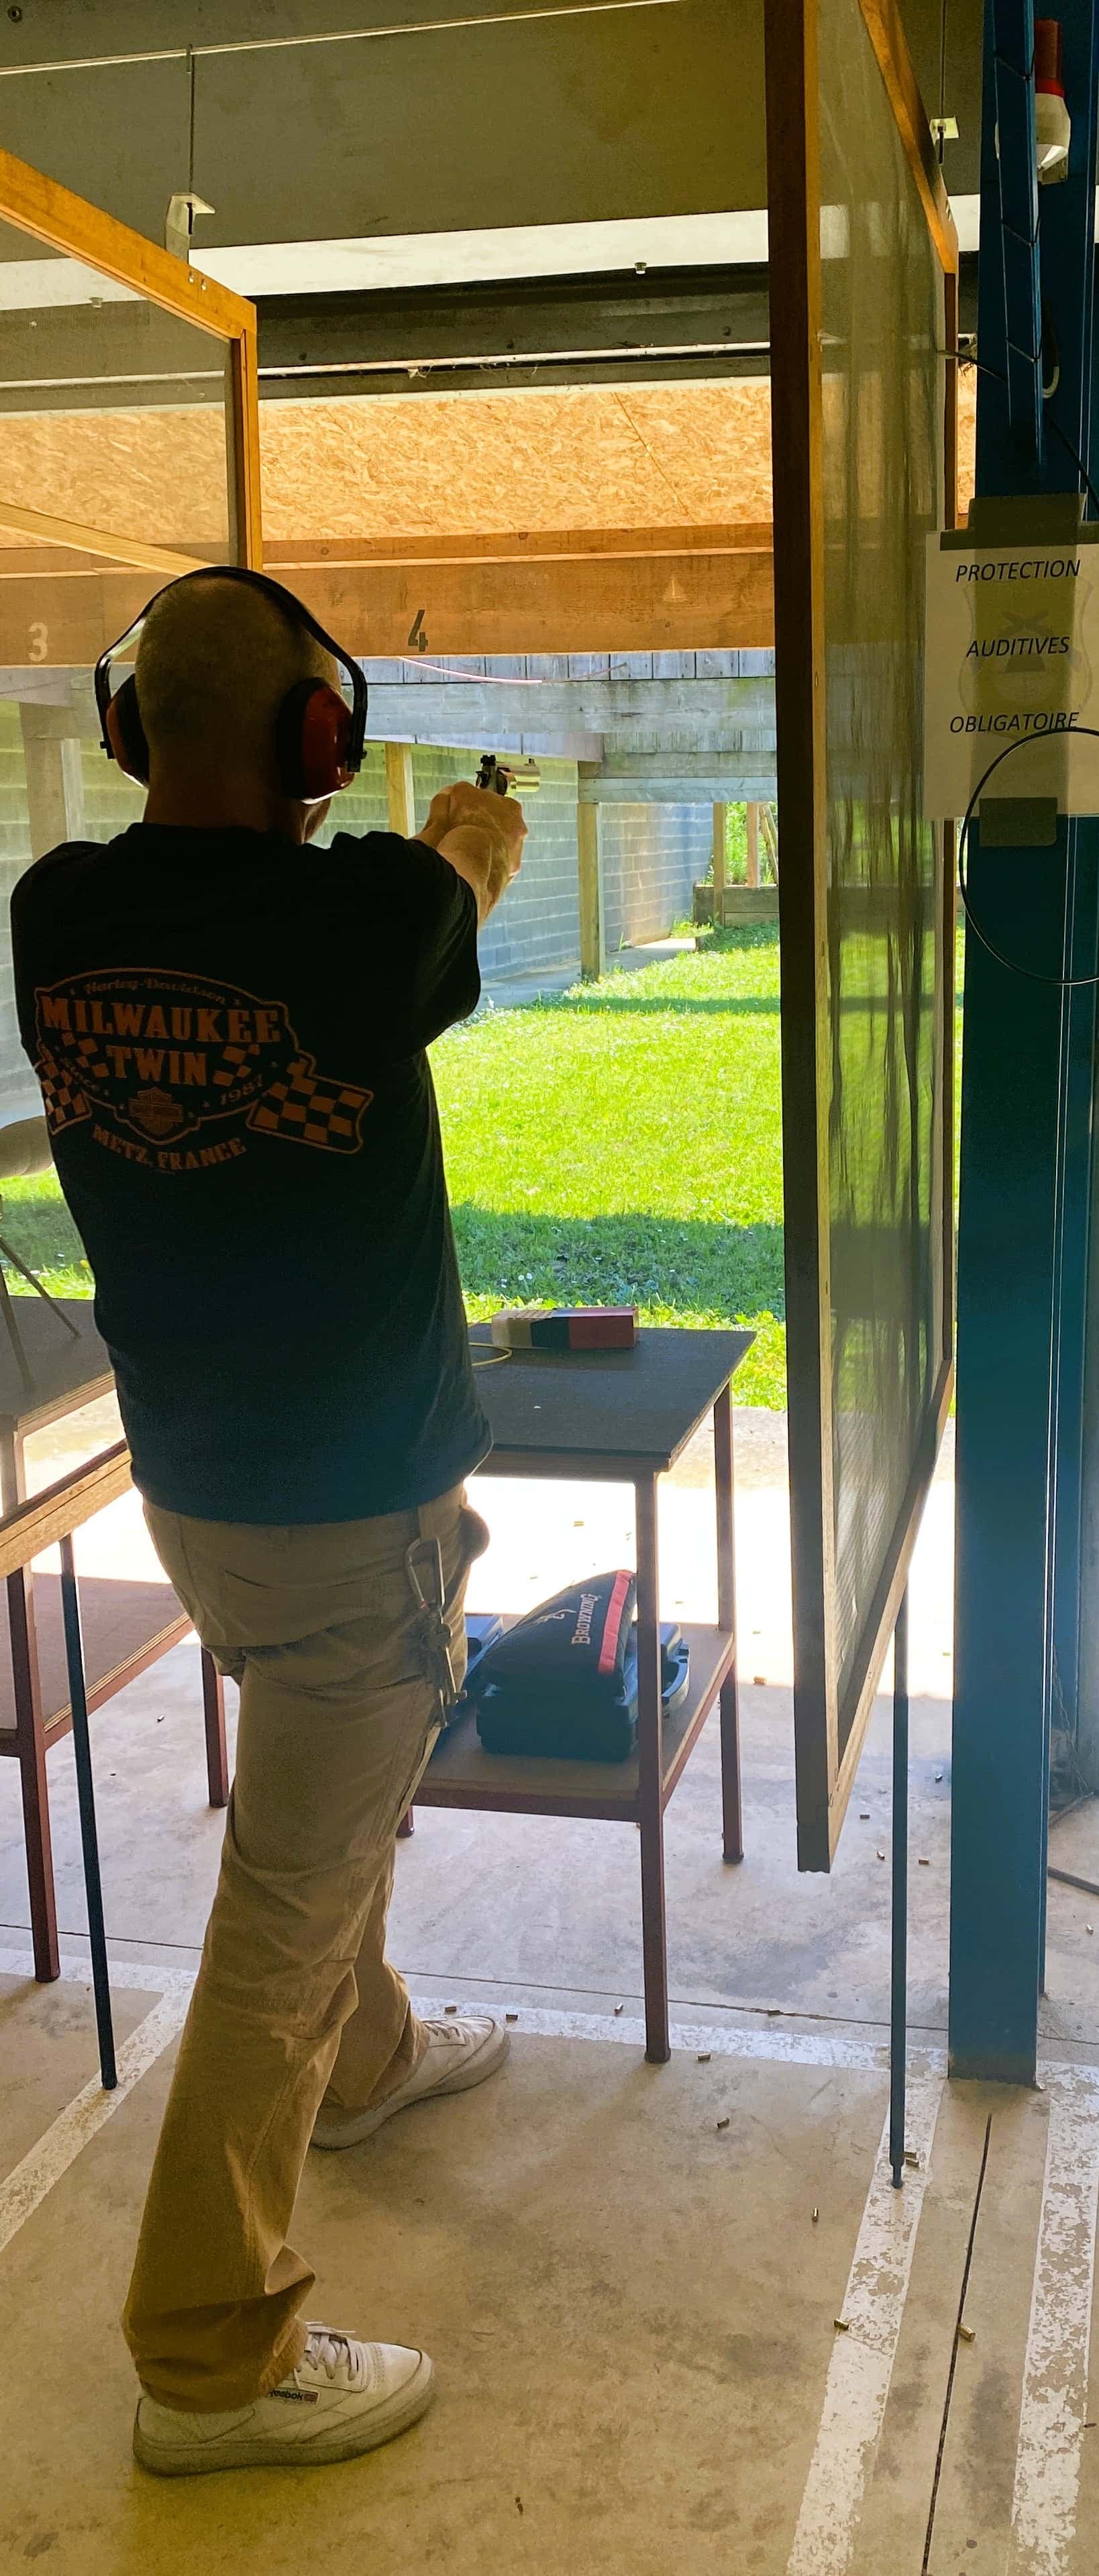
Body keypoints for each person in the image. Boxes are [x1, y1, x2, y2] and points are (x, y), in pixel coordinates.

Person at [11, 569, 527, 2476]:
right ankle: (206, 2359)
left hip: (198, 1491)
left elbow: (336, 920)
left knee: (324, 1802)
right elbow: (443, 890)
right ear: (325, 742)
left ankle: (368, 2061)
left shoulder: (57, 912)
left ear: (128, 732)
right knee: (277, 1922)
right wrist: (463, 833)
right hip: (352, 1514)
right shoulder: (366, 919)